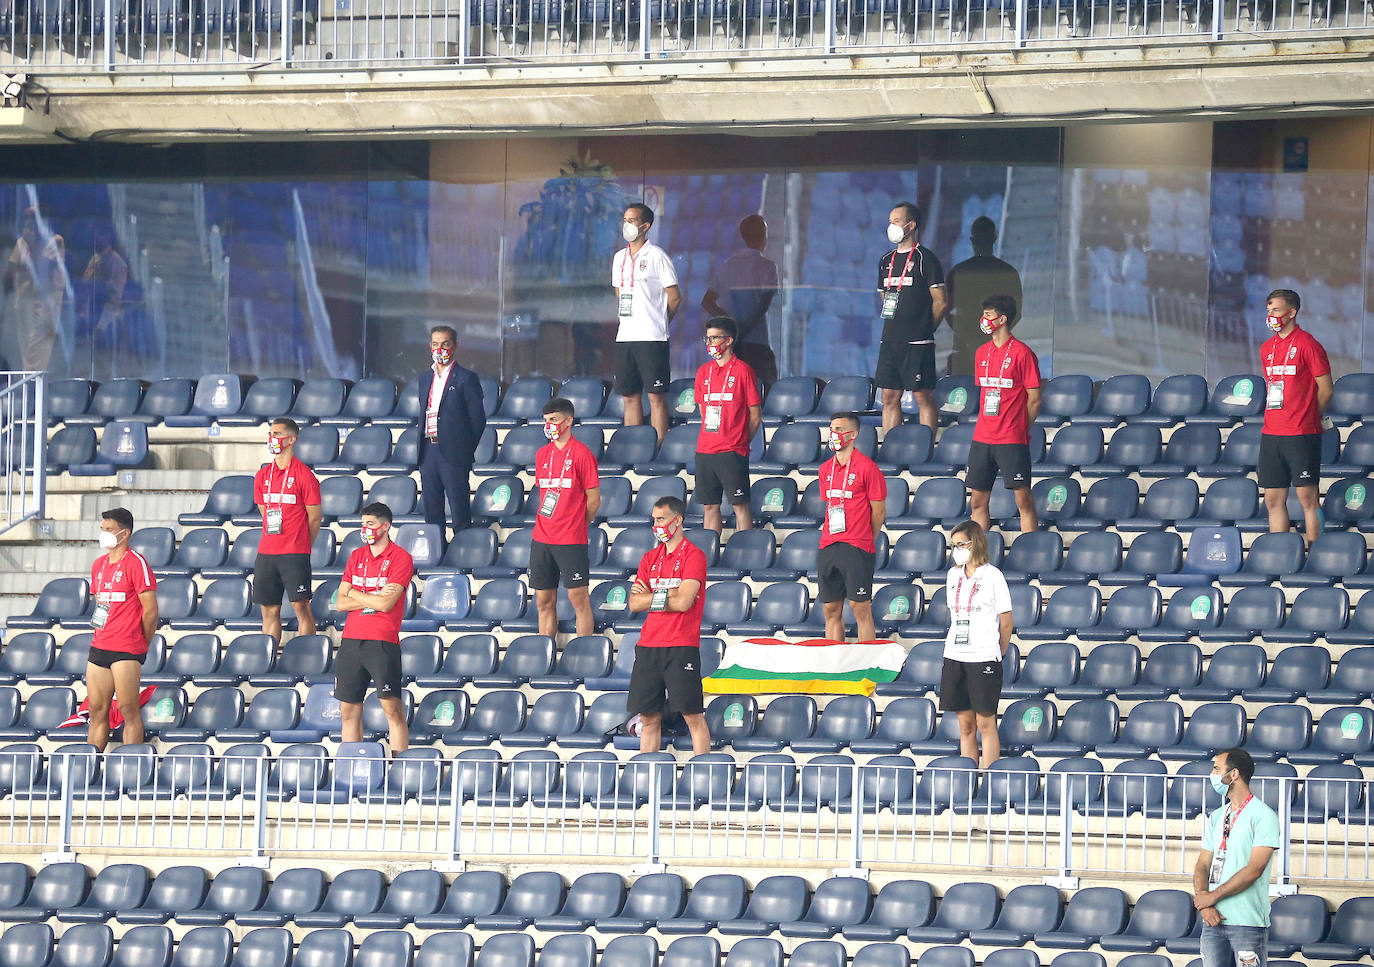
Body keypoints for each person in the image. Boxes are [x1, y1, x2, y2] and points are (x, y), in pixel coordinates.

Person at [627, 496, 710, 755]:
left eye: (661, 519)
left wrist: (652, 596)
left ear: (678, 520)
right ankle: (645, 777)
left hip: (680, 646)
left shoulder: (694, 556)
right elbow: (634, 604)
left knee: (692, 717)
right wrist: (669, 593)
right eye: (654, 520)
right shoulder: (649, 558)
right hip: (648, 645)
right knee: (649, 718)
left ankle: (703, 775)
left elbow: (685, 602)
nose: (657, 525)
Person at [335, 502, 414, 752]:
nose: (365, 528)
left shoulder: (400, 557)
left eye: (370, 524)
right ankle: (351, 768)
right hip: (351, 640)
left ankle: (399, 767)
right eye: (363, 524)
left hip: (382, 640)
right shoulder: (356, 556)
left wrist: (356, 595)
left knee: (391, 708)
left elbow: (386, 603)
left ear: (385, 526)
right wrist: (370, 595)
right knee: (348, 709)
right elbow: (339, 602)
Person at [1193, 748, 1282, 967]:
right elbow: (1203, 865)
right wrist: (1204, 904)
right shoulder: (1217, 816)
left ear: (1234, 774)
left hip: (1247, 922)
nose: (1212, 774)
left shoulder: (1263, 816)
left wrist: (1211, 897)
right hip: (1212, 920)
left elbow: (1254, 869)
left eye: (1216, 769)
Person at [1259, 289, 1332, 546]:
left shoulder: (1308, 344)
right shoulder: (1267, 348)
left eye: (1276, 310)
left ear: (1292, 313)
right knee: (1272, 499)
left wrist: (1312, 417)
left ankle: (1316, 552)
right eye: (1268, 310)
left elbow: (1326, 387)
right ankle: (1280, 552)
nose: (1271, 316)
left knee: (1308, 499)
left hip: (1301, 433)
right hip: (1271, 433)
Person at [940, 519, 1012, 769]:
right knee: (965, 726)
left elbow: (1006, 623)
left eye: (962, 544)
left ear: (976, 543)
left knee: (985, 723)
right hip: (955, 654)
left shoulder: (993, 576)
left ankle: (990, 781)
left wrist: (996, 653)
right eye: (954, 545)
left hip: (983, 657)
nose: (957, 549)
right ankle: (967, 782)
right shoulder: (952, 575)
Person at [967, 295, 1042, 534]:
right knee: (977, 501)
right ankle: (979, 558)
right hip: (982, 437)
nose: (984, 320)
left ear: (1003, 319)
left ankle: (1032, 552)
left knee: (1023, 501)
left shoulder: (1023, 353)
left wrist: (1021, 428)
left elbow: (1035, 399)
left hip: (1011, 439)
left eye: (989, 315)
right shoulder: (981, 353)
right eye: (985, 315)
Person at [86, 507, 157, 751]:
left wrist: (141, 645)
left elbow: (150, 611)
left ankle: (132, 767)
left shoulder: (136, 563)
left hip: (127, 648)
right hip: (100, 645)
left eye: (109, 530)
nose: (103, 534)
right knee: (96, 710)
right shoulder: (99, 565)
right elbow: (100, 605)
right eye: (102, 529)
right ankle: (91, 767)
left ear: (124, 534)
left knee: (128, 708)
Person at [531, 397, 601, 638]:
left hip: (571, 538)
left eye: (554, 420)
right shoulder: (542, 454)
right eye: (546, 420)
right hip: (542, 537)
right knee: (543, 600)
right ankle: (545, 651)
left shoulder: (582, 454)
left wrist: (579, 524)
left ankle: (586, 649)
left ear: (568, 421)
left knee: (578, 598)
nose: (549, 425)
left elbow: (594, 499)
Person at [876, 201, 946, 437]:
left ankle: (927, 445)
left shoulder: (926, 258)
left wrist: (926, 329)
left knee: (921, 395)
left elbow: (941, 301)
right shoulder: (885, 261)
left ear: (911, 225)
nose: (891, 226)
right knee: (888, 396)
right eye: (890, 221)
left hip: (918, 342)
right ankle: (890, 447)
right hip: (890, 339)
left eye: (895, 221)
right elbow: (885, 297)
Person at [816, 411, 887, 642]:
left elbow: (879, 511)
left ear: (853, 434)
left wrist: (867, 537)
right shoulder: (825, 469)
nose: (833, 434)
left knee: (860, 606)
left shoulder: (868, 468)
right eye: (831, 428)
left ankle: (868, 663)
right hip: (828, 544)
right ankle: (835, 662)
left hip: (857, 545)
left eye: (838, 429)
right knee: (830, 609)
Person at [613, 203, 681, 445]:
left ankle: (659, 445)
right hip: (625, 336)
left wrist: (661, 321)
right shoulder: (619, 257)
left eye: (632, 220)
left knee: (655, 396)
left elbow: (674, 297)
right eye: (625, 219)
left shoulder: (657, 256)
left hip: (652, 337)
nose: (627, 225)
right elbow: (620, 293)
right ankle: (635, 447)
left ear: (645, 225)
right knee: (629, 396)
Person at [418, 324, 487, 549]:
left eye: (445, 344)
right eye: (436, 344)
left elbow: (478, 419)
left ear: (454, 346)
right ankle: (437, 551)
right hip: (428, 450)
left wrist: (464, 449)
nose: (440, 349)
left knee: (458, 507)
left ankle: (462, 552)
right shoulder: (425, 378)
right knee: (432, 507)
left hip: (454, 453)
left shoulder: (466, 378)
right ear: (430, 346)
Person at [253, 417, 322, 643]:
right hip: (267, 552)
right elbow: (265, 512)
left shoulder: (305, 476)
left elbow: (314, 518)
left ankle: (307, 654)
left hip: (294, 553)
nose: (272, 439)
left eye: (277, 434)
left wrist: (302, 546)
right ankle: (269, 657)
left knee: (300, 606)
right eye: (270, 434)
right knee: (269, 610)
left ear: (291, 439)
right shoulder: (263, 475)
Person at [693, 316, 763, 536]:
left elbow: (755, 416)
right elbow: (703, 409)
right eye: (708, 338)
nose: (710, 343)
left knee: (739, 505)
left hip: (732, 450)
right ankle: (709, 556)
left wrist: (740, 440)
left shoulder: (743, 371)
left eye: (715, 338)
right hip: (705, 449)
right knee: (710, 506)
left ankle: (748, 553)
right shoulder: (703, 372)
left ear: (729, 340)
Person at [701, 214, 780, 387]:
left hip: (734, 343)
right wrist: (744, 327)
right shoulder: (767, 266)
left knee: (735, 391)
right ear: (763, 236)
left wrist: (731, 325)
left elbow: (707, 302)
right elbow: (764, 304)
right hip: (757, 343)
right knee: (765, 392)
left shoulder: (728, 266)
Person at [945, 216, 1023, 377]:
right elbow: (1017, 313)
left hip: (967, 348)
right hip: (988, 347)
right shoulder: (1007, 272)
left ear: (972, 240)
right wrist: (997, 337)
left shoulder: (959, 272)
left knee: (962, 397)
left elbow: (945, 309)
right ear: (994, 239)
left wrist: (968, 338)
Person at [4, 209, 65, 373]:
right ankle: (29, 391)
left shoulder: (54, 241)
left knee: (37, 353)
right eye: (27, 220)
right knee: (26, 352)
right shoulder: (23, 242)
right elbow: (10, 272)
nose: (29, 224)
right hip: (23, 303)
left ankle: (34, 393)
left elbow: (43, 268)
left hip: (44, 303)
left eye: (33, 219)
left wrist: (31, 248)